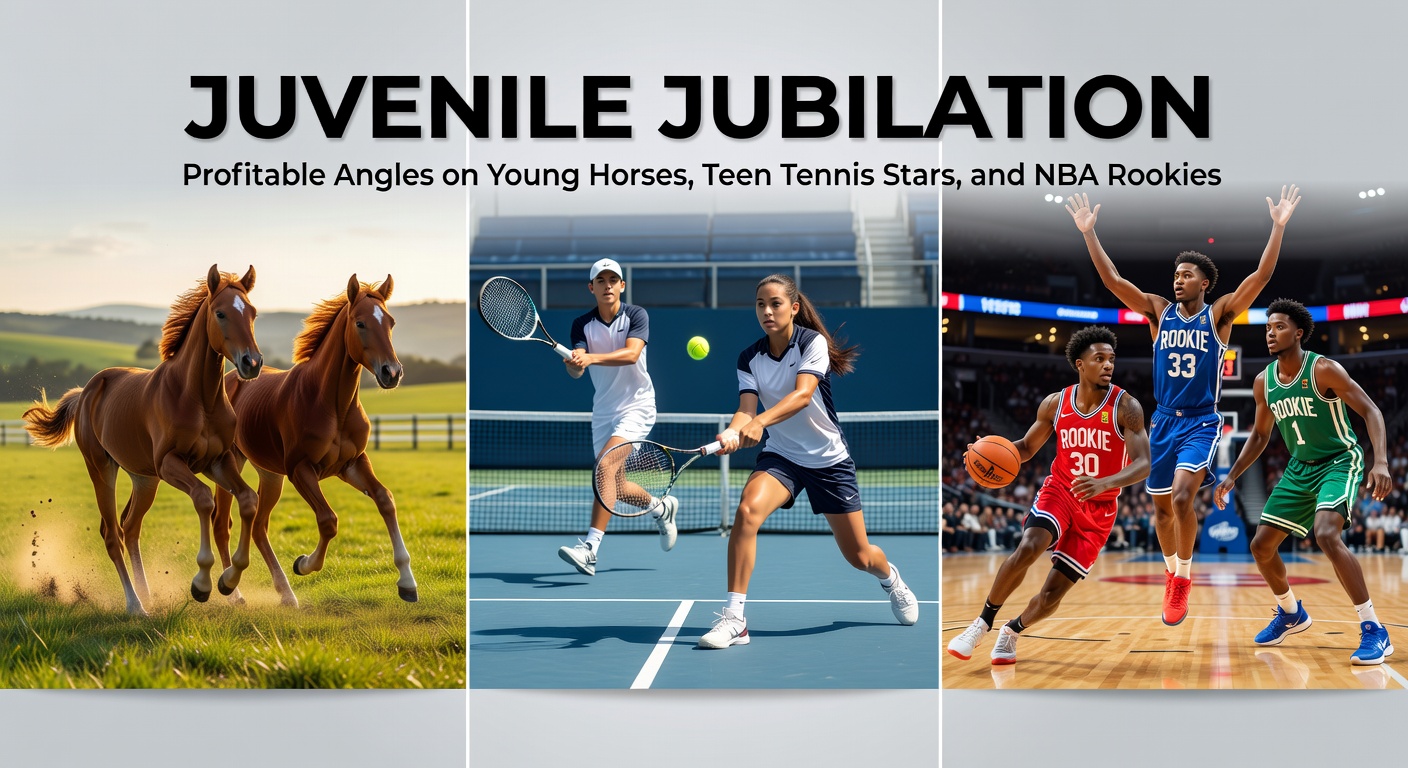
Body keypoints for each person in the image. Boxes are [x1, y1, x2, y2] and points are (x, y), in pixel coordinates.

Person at [1067, 185, 1301, 625]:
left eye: (1187, 274)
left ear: (1204, 283)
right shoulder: (1158, 311)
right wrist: (1089, 234)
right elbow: (1113, 282)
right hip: (1162, 421)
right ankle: (1171, 572)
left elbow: (1261, 278)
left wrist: (1278, 226)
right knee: (1159, 508)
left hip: (1200, 422)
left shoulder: (1219, 315)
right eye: (1175, 274)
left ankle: (1183, 579)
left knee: (1180, 498)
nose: (1178, 280)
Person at [698, 274, 918, 649]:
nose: (767, 311)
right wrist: (733, 431)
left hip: (829, 460)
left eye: (775, 304)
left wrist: (759, 423)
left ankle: (892, 579)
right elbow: (745, 409)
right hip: (782, 455)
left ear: (794, 308)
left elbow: (802, 396)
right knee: (747, 510)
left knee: (860, 557)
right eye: (760, 305)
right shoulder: (749, 358)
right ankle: (735, 620)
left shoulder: (811, 343)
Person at [947, 326, 1151, 664]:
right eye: (1099, 359)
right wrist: (985, 451)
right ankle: (982, 623)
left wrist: (1105, 483)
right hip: (1062, 489)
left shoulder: (1126, 406)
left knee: (1051, 595)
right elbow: (1025, 448)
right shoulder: (1056, 403)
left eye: (1111, 359)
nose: (1108, 365)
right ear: (1079, 364)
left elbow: (1144, 464)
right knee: (1029, 546)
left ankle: (1011, 631)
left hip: (1099, 509)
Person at [1214, 299, 1394, 664]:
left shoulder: (1323, 369)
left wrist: (1383, 461)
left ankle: (1374, 628)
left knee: (1326, 532)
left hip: (1338, 460)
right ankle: (1291, 612)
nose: (1270, 333)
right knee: (1261, 547)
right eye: (1267, 327)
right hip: (1299, 467)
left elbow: (1371, 410)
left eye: (1278, 327)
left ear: (1297, 333)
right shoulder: (1264, 381)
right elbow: (1261, 436)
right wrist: (1232, 475)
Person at [557, 258, 677, 576]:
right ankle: (661, 506)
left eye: (614, 280)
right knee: (617, 486)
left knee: (604, 466)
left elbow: (632, 354)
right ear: (592, 287)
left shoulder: (636, 315)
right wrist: (574, 363)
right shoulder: (581, 325)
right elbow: (575, 373)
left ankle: (590, 549)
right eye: (601, 280)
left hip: (637, 405)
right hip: (603, 411)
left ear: (622, 286)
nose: (608, 285)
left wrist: (591, 356)